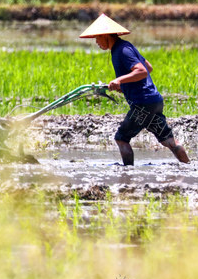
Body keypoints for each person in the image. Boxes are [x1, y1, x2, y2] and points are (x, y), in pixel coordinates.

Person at [80, 14, 189, 166]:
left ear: (105, 35)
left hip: (142, 104)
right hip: (153, 102)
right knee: (168, 140)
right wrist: (125, 86)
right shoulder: (126, 47)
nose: (96, 42)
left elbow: (142, 71)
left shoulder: (122, 50)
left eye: (97, 38)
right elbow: (148, 67)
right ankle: (189, 167)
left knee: (121, 138)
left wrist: (119, 80)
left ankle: (128, 175)